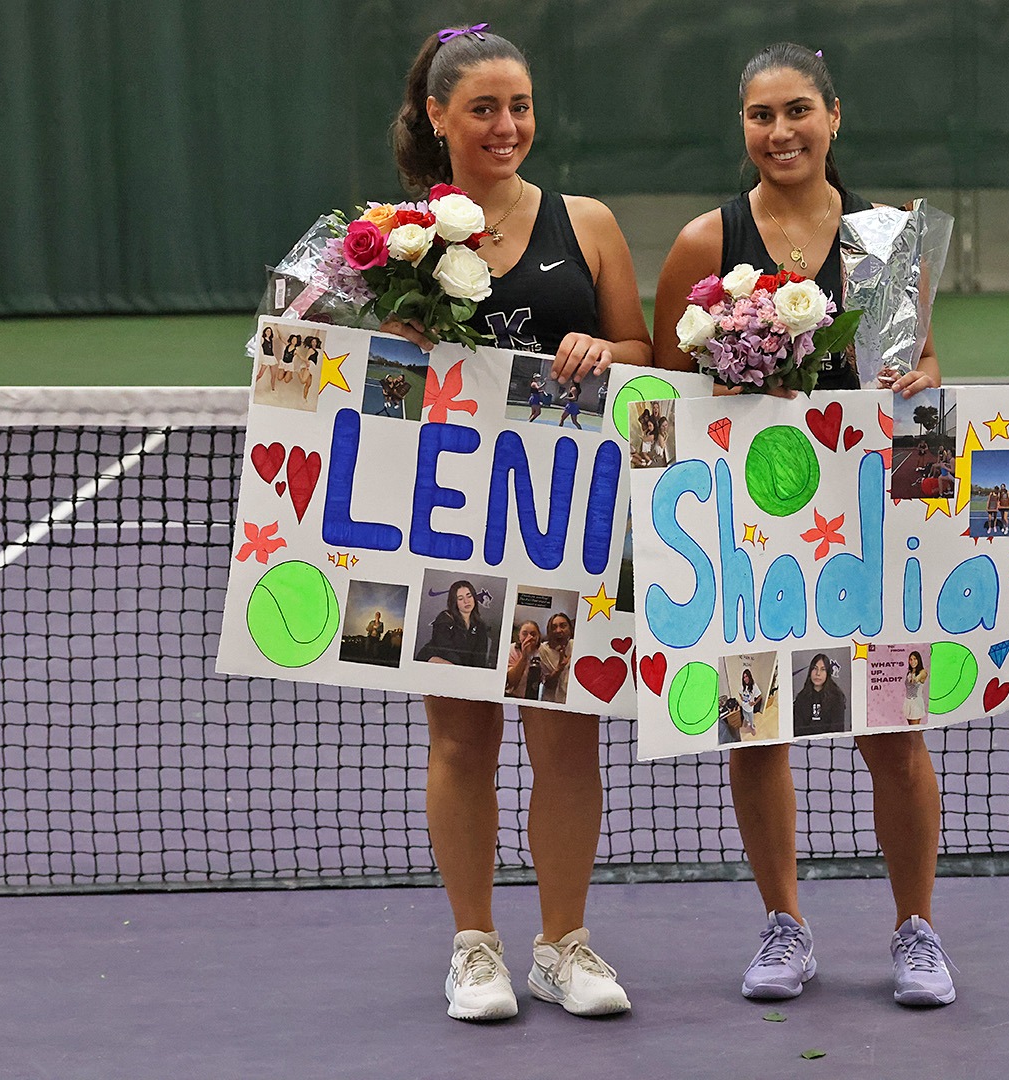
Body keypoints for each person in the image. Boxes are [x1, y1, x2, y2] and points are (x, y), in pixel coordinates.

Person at [651, 42, 955, 1009]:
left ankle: (917, 931)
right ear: (743, 126)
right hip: (748, 536)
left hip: (862, 530)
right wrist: (739, 383)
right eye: (759, 116)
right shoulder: (707, 241)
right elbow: (661, 394)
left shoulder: (884, 239)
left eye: (796, 112)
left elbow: (923, 381)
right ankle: (784, 926)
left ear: (833, 116)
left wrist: (918, 390)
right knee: (755, 730)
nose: (779, 132)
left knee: (894, 733)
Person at [382, 24, 653, 1022]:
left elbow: (645, 347)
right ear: (437, 117)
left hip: (566, 524)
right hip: (446, 524)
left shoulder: (587, 223)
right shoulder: (387, 240)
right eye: (485, 108)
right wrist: (391, 341)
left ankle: (562, 945)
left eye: (521, 106)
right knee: (461, 742)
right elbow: (335, 376)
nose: (507, 125)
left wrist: (604, 348)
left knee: (566, 740)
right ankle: (475, 949)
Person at [415, 580, 497, 667]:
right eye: (460, 598)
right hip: (436, 658)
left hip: (462, 665)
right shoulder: (445, 618)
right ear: (454, 602)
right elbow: (445, 650)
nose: (466, 601)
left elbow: (480, 656)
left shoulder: (480, 625)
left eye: (469, 596)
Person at [790, 654, 848, 736]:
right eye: (815, 668)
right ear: (810, 671)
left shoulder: (837, 697)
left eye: (823, 669)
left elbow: (837, 729)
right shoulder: (801, 698)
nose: (818, 673)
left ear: (827, 673)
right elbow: (797, 729)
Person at [536, 611, 573, 704]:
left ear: (570, 629)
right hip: (552, 703)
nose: (558, 630)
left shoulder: (576, 645)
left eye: (563, 626)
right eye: (554, 627)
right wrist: (559, 668)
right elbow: (548, 685)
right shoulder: (542, 650)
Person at [505, 619, 544, 699]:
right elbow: (511, 682)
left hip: (532, 697)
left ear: (538, 636)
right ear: (519, 636)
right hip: (512, 695)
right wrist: (524, 657)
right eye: (525, 634)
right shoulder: (511, 649)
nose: (529, 637)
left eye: (533, 634)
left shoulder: (543, 651)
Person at [903, 651, 927, 725]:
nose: (912, 661)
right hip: (908, 701)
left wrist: (914, 677)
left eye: (915, 659)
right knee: (910, 728)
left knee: (914, 728)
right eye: (911, 659)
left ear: (918, 660)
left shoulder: (922, 672)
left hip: (916, 702)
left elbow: (916, 679)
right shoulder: (909, 672)